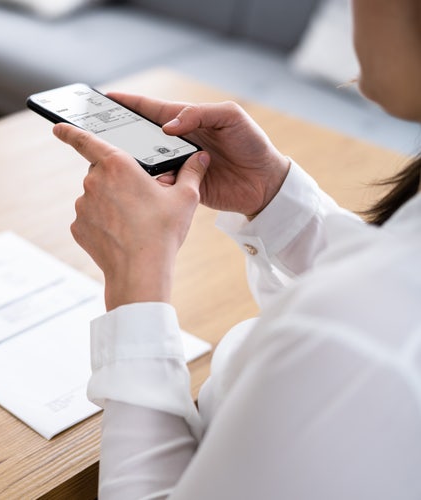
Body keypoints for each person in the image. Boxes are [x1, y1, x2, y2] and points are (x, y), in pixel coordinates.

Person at [52, 0, 421, 498]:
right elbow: (381, 275)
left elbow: (364, 322)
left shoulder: (363, 344)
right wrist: (271, 194)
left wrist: (136, 280)